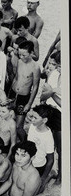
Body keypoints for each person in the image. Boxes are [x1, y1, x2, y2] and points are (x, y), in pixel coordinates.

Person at [7, 39, 41, 141]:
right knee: (9, 120)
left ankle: (24, 141)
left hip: (23, 97)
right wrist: (9, 95)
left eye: (24, 55)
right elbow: (16, 78)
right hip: (13, 94)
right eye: (20, 54)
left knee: (18, 126)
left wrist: (29, 104)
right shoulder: (19, 61)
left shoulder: (35, 67)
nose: (22, 57)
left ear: (31, 53)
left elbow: (35, 87)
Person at [40, 50, 61, 184]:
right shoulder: (53, 74)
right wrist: (52, 92)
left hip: (61, 115)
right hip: (49, 111)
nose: (59, 68)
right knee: (48, 144)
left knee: (60, 148)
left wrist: (51, 92)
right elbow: (43, 96)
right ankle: (49, 172)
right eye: (58, 65)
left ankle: (60, 175)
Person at [27, 104, 55, 194]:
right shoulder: (32, 127)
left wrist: (43, 178)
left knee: (36, 192)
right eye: (32, 117)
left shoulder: (48, 137)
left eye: (35, 118)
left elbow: (50, 160)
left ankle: (49, 176)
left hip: (39, 165)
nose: (32, 120)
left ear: (44, 120)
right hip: (28, 162)